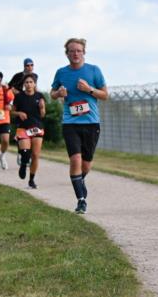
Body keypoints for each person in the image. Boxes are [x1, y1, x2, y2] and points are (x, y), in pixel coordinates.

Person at [51, 38, 108, 214]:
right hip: (70, 123)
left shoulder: (94, 70)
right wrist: (58, 93)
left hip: (91, 122)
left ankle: (79, 180)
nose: (75, 54)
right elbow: (52, 93)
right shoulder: (61, 72)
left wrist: (89, 89)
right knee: (75, 159)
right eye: (72, 51)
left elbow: (105, 95)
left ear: (84, 52)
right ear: (66, 54)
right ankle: (81, 200)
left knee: (86, 164)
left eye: (78, 50)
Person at [12, 74, 45, 188]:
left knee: (35, 155)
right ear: (24, 84)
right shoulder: (19, 96)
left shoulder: (40, 96)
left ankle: (31, 180)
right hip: (23, 128)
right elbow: (12, 112)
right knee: (26, 152)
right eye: (26, 82)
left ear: (34, 84)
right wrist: (19, 113)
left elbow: (43, 114)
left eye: (31, 82)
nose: (29, 84)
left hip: (37, 128)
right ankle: (23, 164)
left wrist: (42, 107)